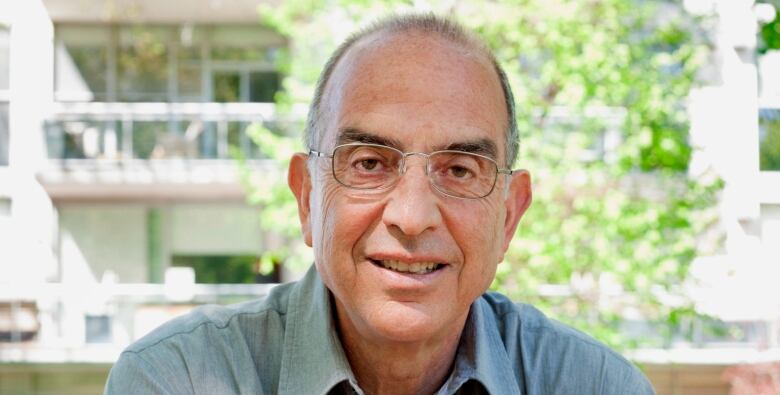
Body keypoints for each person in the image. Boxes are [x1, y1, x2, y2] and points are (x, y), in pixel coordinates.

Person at [105, 14, 656, 395]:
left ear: (509, 216)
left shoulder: (597, 384)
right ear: (306, 196)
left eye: (460, 170)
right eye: (369, 163)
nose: (412, 217)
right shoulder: (178, 377)